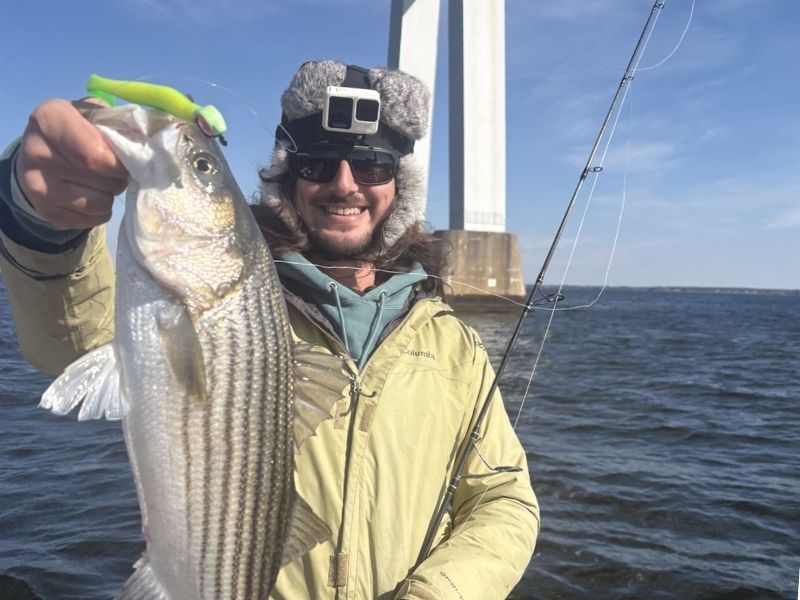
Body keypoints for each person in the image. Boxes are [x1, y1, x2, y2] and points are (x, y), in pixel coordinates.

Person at [0, 60, 539, 599]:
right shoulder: (244, 305)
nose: (344, 183)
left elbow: (504, 497)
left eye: (372, 166)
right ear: (287, 178)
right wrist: (39, 219)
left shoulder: (455, 345)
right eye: (317, 163)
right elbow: (76, 341)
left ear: (399, 187)